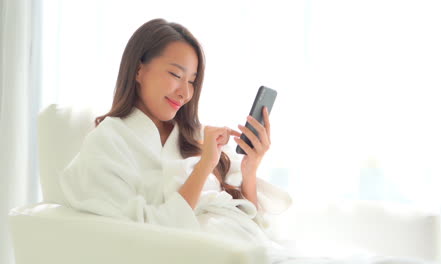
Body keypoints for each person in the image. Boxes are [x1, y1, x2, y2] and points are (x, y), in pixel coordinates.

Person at [59, 18, 292, 261]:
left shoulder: (195, 138)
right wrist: (203, 168)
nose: (185, 92)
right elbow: (142, 236)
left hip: (251, 249)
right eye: (175, 74)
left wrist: (249, 170)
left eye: (191, 81)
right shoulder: (107, 141)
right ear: (139, 70)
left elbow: (251, 220)